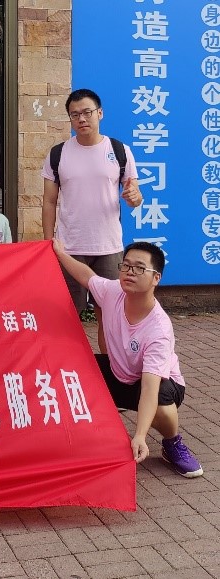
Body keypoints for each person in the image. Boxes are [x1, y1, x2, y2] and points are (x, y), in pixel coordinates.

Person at [53, 239, 203, 478]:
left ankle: (172, 443)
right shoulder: (113, 291)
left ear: (156, 278)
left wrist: (140, 436)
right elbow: (86, 276)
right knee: (69, 372)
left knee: (162, 404)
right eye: (126, 265)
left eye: (140, 268)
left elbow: (150, 388)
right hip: (119, 374)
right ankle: (86, 436)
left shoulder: (159, 329)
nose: (130, 272)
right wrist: (60, 253)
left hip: (158, 385)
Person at [42, 88, 143, 353]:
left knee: (108, 317)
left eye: (87, 112)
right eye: (74, 114)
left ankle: (108, 370)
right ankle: (67, 368)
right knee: (66, 317)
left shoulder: (119, 151)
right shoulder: (58, 154)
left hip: (108, 248)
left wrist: (134, 197)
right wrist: (49, 242)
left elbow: (134, 195)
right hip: (69, 249)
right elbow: (49, 201)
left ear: (100, 113)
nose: (81, 119)